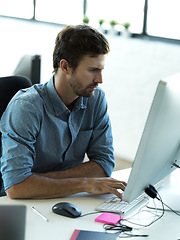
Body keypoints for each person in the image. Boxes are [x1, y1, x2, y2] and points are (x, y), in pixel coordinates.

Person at [0, 25, 126, 199]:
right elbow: (17, 187)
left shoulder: (95, 99)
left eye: (101, 70)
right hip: (27, 205)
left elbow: (104, 165)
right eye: (92, 70)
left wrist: (37, 182)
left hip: (69, 199)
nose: (100, 80)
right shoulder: (27, 107)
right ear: (65, 67)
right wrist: (84, 183)